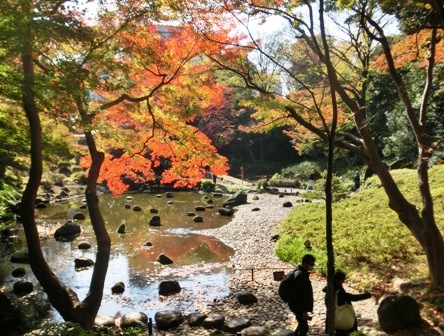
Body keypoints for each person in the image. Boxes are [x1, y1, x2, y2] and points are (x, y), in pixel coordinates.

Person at [323, 270, 372, 335]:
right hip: (341, 319)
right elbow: (352, 297)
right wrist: (368, 295)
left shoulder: (330, 289)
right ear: (338, 280)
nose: (343, 281)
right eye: (343, 279)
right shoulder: (338, 290)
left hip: (333, 317)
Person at [288, 254, 316, 336]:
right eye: (311, 264)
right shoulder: (300, 275)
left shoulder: (301, 273)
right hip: (298, 306)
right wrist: (304, 311)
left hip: (297, 306)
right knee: (304, 328)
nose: (313, 266)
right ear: (305, 263)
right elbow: (300, 295)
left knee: (302, 326)